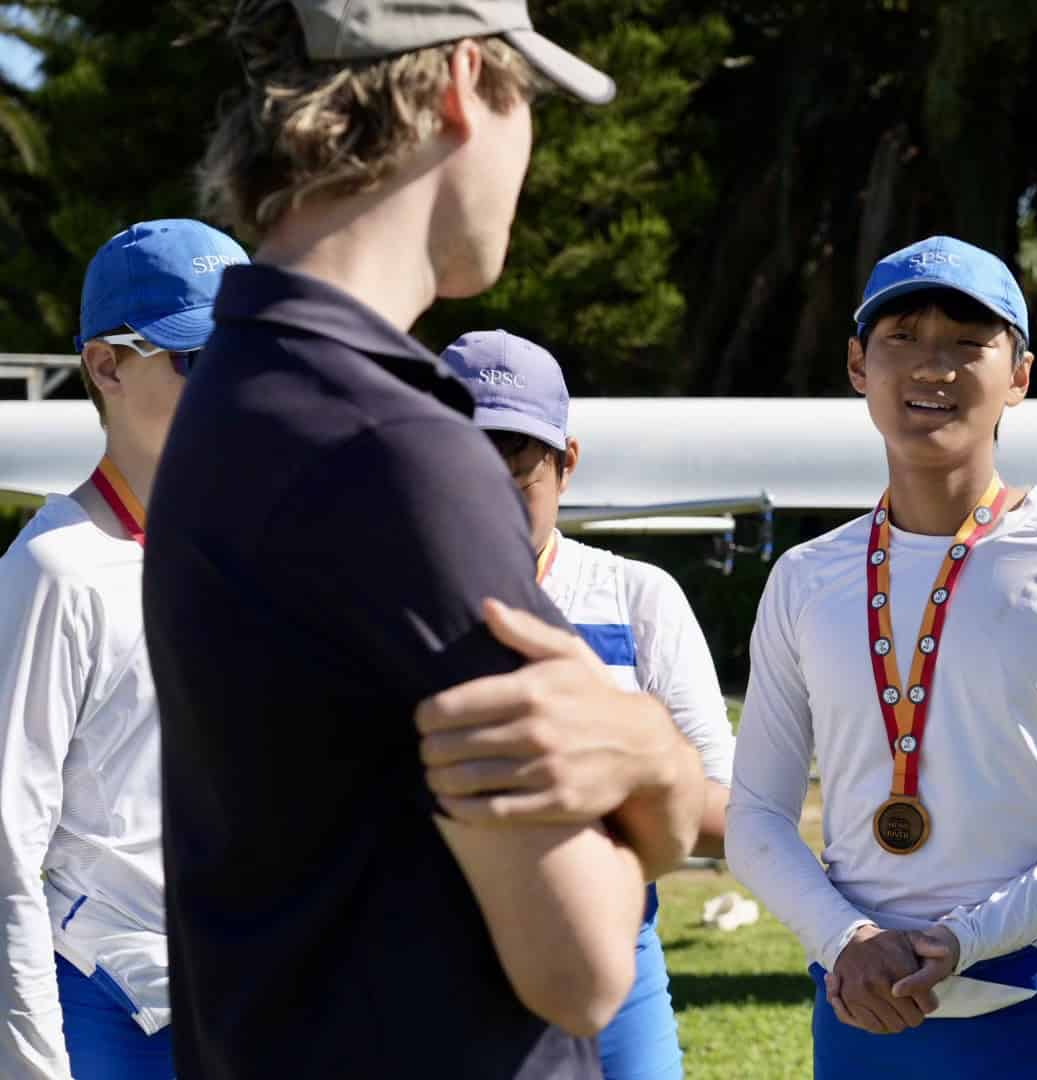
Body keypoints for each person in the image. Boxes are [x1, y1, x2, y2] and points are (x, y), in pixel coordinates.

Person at [142, 3, 705, 1078]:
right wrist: (658, 760)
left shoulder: (237, 391)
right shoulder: (394, 448)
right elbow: (582, 966)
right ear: (461, 84)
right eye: (526, 100)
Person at [726, 236, 1037, 1078]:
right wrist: (848, 938)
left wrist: (966, 939)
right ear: (858, 364)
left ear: (1019, 376)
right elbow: (756, 817)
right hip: (863, 1015)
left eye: (967, 341)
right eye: (903, 338)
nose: (933, 365)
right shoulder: (806, 576)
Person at [443, 328, 735, 1080]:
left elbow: (730, 816)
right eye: (465, 475)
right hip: (434, 973)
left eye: (517, 478)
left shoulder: (637, 597)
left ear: (566, 464)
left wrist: (611, 778)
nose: (490, 508)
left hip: (615, 964)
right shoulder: (377, 605)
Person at [0, 219, 246, 1080]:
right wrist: (35, 1067)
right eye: (200, 359)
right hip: (111, 1013)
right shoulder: (54, 570)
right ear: (106, 366)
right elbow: (7, 849)